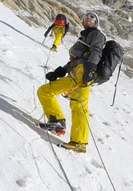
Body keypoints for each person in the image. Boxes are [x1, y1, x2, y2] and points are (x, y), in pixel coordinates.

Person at [37, 12, 106, 153]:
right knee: (44, 91)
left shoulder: (96, 35)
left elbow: (97, 52)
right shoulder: (84, 37)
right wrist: (59, 72)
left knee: (79, 106)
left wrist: (90, 69)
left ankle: (79, 143)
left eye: (92, 17)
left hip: (83, 72)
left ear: (96, 23)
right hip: (74, 73)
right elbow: (75, 60)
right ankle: (57, 120)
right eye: (86, 16)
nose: (88, 18)